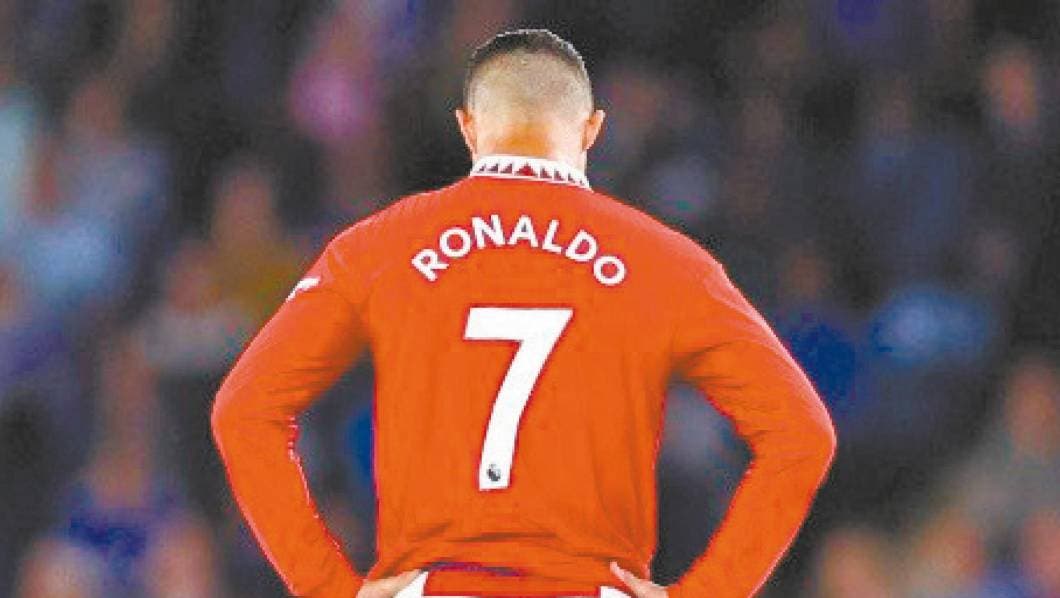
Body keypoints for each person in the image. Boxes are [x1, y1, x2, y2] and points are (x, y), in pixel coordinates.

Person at [212, 29, 835, 598]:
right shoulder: (668, 263)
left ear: (467, 128)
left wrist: (327, 586)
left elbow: (243, 411)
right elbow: (803, 434)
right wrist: (709, 592)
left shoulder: (376, 248)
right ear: (591, 130)